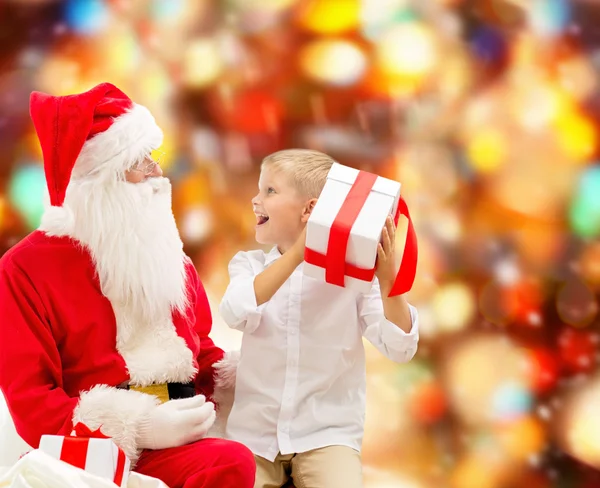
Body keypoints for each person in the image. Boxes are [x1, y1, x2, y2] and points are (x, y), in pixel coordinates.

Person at [0, 82, 255, 488]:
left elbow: (200, 353)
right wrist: (139, 426)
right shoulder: (24, 269)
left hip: (187, 437)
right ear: (100, 179)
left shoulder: (166, 255)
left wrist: (258, 371)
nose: (158, 173)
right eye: (141, 161)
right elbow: (33, 403)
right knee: (230, 463)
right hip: (90, 455)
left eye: (154, 158)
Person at [219, 149, 419, 488]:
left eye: (270, 190)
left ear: (310, 210)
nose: (255, 200)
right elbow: (235, 311)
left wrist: (388, 282)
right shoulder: (249, 265)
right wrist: (299, 253)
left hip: (327, 435)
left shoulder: (354, 278)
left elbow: (401, 347)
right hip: (254, 436)